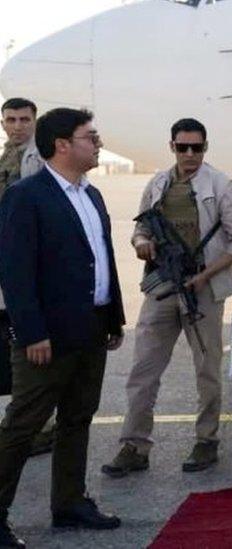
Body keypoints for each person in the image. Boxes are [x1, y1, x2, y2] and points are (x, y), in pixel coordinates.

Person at [0, 108, 126, 548]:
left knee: (77, 418)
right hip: (46, 337)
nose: (98, 143)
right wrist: (31, 332)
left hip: (90, 329)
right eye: (90, 137)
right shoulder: (26, 196)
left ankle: (69, 503)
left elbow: (101, 260)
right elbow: (15, 274)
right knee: (23, 426)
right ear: (62, 145)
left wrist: (112, 318)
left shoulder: (91, 195)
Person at [101, 118, 232, 478]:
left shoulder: (221, 185)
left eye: (197, 148)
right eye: (182, 147)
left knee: (207, 370)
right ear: (171, 146)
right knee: (142, 370)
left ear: (205, 147)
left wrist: (205, 275)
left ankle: (207, 440)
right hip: (162, 286)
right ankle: (134, 445)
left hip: (203, 291)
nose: (190, 154)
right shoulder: (158, 184)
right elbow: (140, 228)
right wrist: (142, 245)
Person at [0, 98, 49, 459]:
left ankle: (38, 429)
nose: (17, 126)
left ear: (35, 122)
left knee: (32, 347)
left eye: (24, 119)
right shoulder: (6, 157)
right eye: (11, 120)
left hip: (31, 266)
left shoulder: (38, 157)